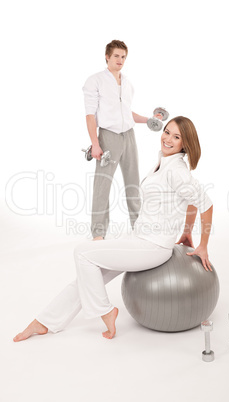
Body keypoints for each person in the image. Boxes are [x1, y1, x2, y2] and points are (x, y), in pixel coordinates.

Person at [13, 116, 213, 342]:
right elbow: (192, 200)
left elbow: (205, 203)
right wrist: (187, 232)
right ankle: (44, 322)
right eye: (166, 131)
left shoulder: (176, 170)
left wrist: (203, 245)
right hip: (139, 237)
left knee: (82, 253)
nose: (167, 138)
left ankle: (105, 311)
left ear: (185, 143)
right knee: (89, 274)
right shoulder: (164, 161)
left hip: (153, 246)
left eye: (176, 137)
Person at [82, 39, 162, 241]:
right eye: (116, 56)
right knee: (103, 186)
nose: (120, 60)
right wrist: (96, 144)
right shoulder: (95, 81)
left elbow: (126, 112)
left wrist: (148, 120)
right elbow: (90, 115)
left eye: (123, 57)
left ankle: (139, 229)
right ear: (107, 57)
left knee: (133, 184)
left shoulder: (127, 83)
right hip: (108, 137)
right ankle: (98, 234)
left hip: (129, 136)